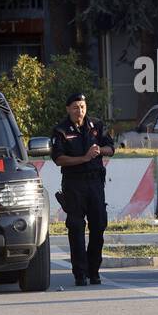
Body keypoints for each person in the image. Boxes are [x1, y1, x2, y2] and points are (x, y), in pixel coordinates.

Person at [50, 93, 114, 287]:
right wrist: (84, 158)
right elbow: (59, 159)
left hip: (95, 183)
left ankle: (94, 271)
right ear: (68, 109)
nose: (80, 111)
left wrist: (99, 150)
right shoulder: (61, 130)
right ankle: (80, 273)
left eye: (83, 106)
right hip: (74, 184)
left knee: (99, 225)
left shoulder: (96, 126)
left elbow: (111, 148)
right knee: (76, 228)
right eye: (76, 107)